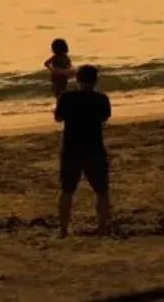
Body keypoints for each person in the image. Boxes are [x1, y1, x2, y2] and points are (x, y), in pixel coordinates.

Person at [54, 64, 112, 238]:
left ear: (77, 80)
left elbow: (58, 118)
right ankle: (102, 228)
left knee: (67, 190)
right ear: (95, 81)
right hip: (94, 147)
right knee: (101, 190)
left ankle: (63, 230)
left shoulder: (67, 97)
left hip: (71, 148)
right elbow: (104, 118)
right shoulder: (101, 99)